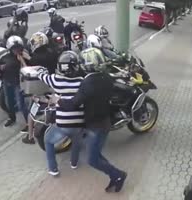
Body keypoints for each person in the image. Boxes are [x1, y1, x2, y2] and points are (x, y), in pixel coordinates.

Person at [52, 47, 128, 192]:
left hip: (95, 126)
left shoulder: (88, 83)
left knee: (92, 159)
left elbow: (73, 104)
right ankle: (114, 176)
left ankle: (118, 175)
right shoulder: (106, 77)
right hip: (105, 122)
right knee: (96, 153)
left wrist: (58, 99)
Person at [36, 51, 86, 176]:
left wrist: (41, 70)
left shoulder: (56, 81)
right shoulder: (82, 82)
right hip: (79, 124)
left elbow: (42, 76)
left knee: (47, 140)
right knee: (76, 142)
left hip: (63, 125)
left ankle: (53, 169)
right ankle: (74, 163)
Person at [20, 32, 59, 144]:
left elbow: (29, 70)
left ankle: (30, 137)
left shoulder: (36, 58)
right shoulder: (52, 52)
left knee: (32, 111)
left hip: (41, 86)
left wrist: (24, 59)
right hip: (53, 82)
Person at [0, 36, 29, 131]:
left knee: (21, 104)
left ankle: (28, 123)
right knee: (9, 102)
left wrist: (22, 59)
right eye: (14, 48)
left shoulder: (24, 55)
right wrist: (0, 67)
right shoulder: (4, 56)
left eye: (18, 48)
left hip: (18, 83)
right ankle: (12, 118)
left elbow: (28, 68)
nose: (17, 50)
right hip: (7, 81)